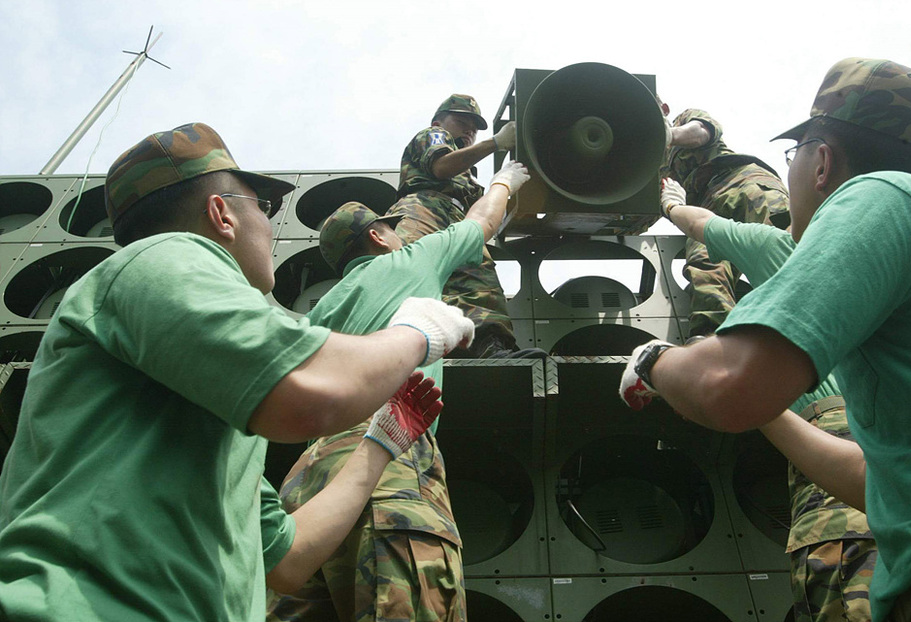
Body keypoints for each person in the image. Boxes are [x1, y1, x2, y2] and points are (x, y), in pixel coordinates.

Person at [0, 123, 475, 622]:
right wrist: (417, 332)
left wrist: (380, 444)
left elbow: (287, 559)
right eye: (263, 208)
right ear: (221, 214)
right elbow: (312, 392)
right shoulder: (164, 256)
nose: (269, 227)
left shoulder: (216, 417)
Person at [619, 58, 911, 622]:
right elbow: (873, 481)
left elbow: (729, 386)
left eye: (795, 155)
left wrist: (654, 358)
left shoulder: (880, 196)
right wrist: (772, 410)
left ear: (821, 160)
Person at [267, 161, 531, 622]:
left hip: (306, 482)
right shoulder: (411, 259)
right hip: (389, 449)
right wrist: (507, 179)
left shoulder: (320, 309)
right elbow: (481, 222)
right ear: (377, 237)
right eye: (392, 229)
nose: (398, 235)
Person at [659, 178, 875, 622]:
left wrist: (672, 203)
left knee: (850, 579)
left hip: (836, 432)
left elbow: (701, 223)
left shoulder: (785, 250)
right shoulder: (908, 267)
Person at [388, 93, 538, 358]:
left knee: (479, 281)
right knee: (416, 275)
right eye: (461, 121)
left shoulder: (469, 173)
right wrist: (496, 143)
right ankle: (401, 350)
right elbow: (441, 167)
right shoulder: (433, 136)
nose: (469, 130)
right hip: (424, 209)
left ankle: (488, 348)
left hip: (460, 218)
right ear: (438, 121)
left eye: (474, 128)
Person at [661, 108, 791, 338]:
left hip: (741, 183)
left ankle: (800, 316)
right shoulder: (651, 163)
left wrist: (669, 135)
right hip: (705, 209)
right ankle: (713, 337)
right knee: (704, 263)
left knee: (782, 248)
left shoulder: (683, 121)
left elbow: (702, 131)